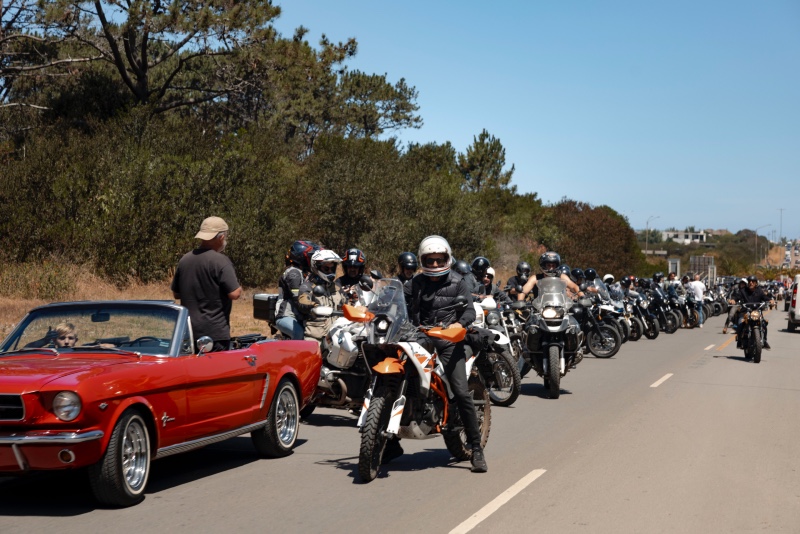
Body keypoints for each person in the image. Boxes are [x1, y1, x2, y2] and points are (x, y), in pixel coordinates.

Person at [402, 235, 487, 473]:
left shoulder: (458, 282)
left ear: (447, 259)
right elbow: (397, 304)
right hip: (420, 337)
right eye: (430, 260)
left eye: (440, 260)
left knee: (460, 391)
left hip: (449, 340)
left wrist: (459, 325)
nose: (436, 264)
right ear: (422, 260)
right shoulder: (414, 283)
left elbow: (469, 311)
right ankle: (387, 441)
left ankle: (476, 449)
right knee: (400, 378)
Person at [171, 216, 242, 352]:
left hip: (188, 332)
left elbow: (176, 293)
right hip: (214, 334)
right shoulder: (221, 261)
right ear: (221, 237)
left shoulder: (185, 260)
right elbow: (234, 293)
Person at [275, 240, 319, 340]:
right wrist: (315, 305)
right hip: (286, 315)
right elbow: (298, 299)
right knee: (300, 334)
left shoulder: (303, 272)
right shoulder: (294, 273)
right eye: (310, 257)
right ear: (302, 257)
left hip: (297, 316)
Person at [297, 249, 344, 343]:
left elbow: (346, 304)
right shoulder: (308, 286)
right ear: (316, 267)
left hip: (336, 337)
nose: (330, 271)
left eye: (332, 268)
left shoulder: (337, 287)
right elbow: (302, 302)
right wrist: (315, 306)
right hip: (316, 338)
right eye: (326, 268)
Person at [518, 252, 585, 301]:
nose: (551, 268)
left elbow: (574, 286)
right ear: (543, 265)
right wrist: (520, 302)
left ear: (556, 266)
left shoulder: (561, 277)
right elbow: (523, 291)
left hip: (560, 308)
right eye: (548, 265)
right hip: (538, 310)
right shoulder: (535, 278)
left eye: (553, 265)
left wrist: (582, 297)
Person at [736, 275, 775, 350]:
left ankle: (764, 340)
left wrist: (770, 300)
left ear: (756, 283)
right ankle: (739, 341)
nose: (751, 283)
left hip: (756, 312)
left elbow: (764, 297)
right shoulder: (743, 291)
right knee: (740, 323)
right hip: (746, 312)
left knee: (763, 324)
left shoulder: (759, 291)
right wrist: (733, 300)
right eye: (749, 281)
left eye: (753, 281)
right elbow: (737, 297)